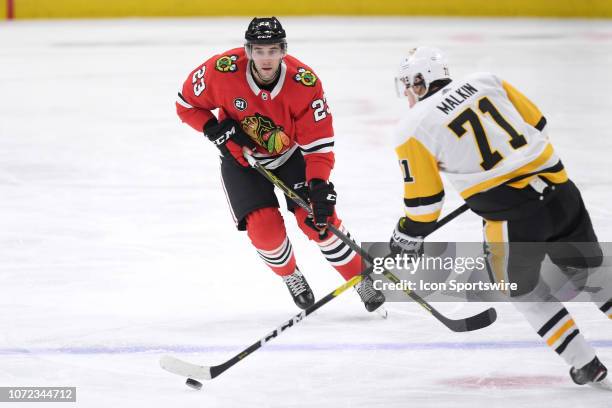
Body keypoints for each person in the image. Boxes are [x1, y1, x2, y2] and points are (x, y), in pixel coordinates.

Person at [388, 46, 611, 388]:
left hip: (514, 217)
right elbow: (538, 124)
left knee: (518, 289)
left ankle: (585, 362)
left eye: (408, 85)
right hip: (562, 192)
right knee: (589, 272)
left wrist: (408, 233)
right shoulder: (486, 81)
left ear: (419, 82)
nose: (407, 93)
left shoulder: (413, 127)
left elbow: (425, 203)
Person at [175, 17, 384, 312]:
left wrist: (319, 185)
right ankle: (291, 276)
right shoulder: (220, 71)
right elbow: (186, 104)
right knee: (265, 231)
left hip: (290, 156)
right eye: (259, 51)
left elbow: (318, 144)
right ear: (247, 50)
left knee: (319, 222)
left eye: (273, 50)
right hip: (241, 160)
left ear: (283, 50)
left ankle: (360, 278)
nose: (266, 58)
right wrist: (213, 128)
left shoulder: (304, 82)